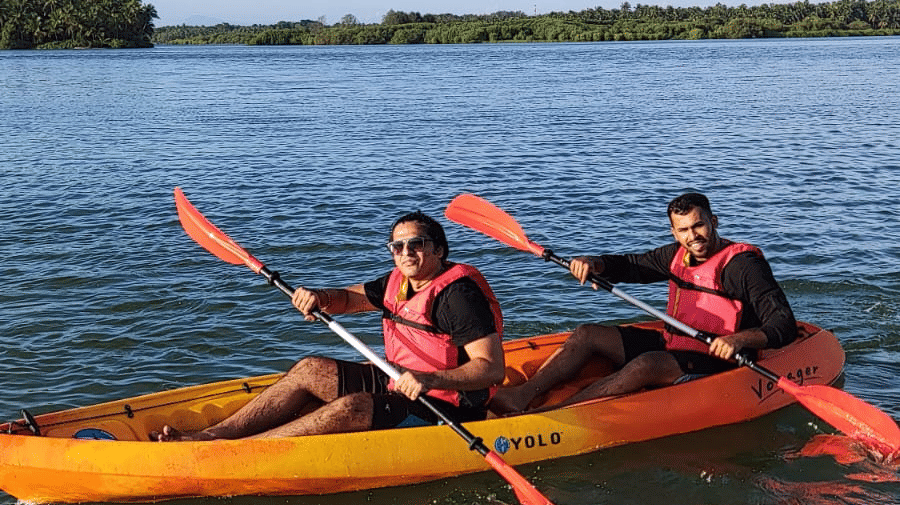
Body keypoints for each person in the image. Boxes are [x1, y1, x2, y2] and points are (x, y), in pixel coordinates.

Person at [153, 210, 505, 440]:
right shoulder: (398, 281)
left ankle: (245, 449)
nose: (406, 253)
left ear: (439, 251)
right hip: (399, 379)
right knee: (310, 369)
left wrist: (429, 379)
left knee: (351, 408)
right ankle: (215, 436)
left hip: (449, 405)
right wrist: (319, 298)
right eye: (397, 246)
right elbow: (350, 299)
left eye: (417, 244)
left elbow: (491, 369)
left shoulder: (458, 297)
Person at [490, 192, 797, 415]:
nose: (693, 236)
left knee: (646, 363)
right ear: (674, 232)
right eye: (684, 230)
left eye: (699, 226)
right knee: (587, 333)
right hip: (675, 342)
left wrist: (738, 339)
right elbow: (633, 265)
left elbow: (783, 323)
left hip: (720, 359)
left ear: (713, 222)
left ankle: (554, 416)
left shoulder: (743, 266)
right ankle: (522, 395)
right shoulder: (676, 254)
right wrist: (595, 263)